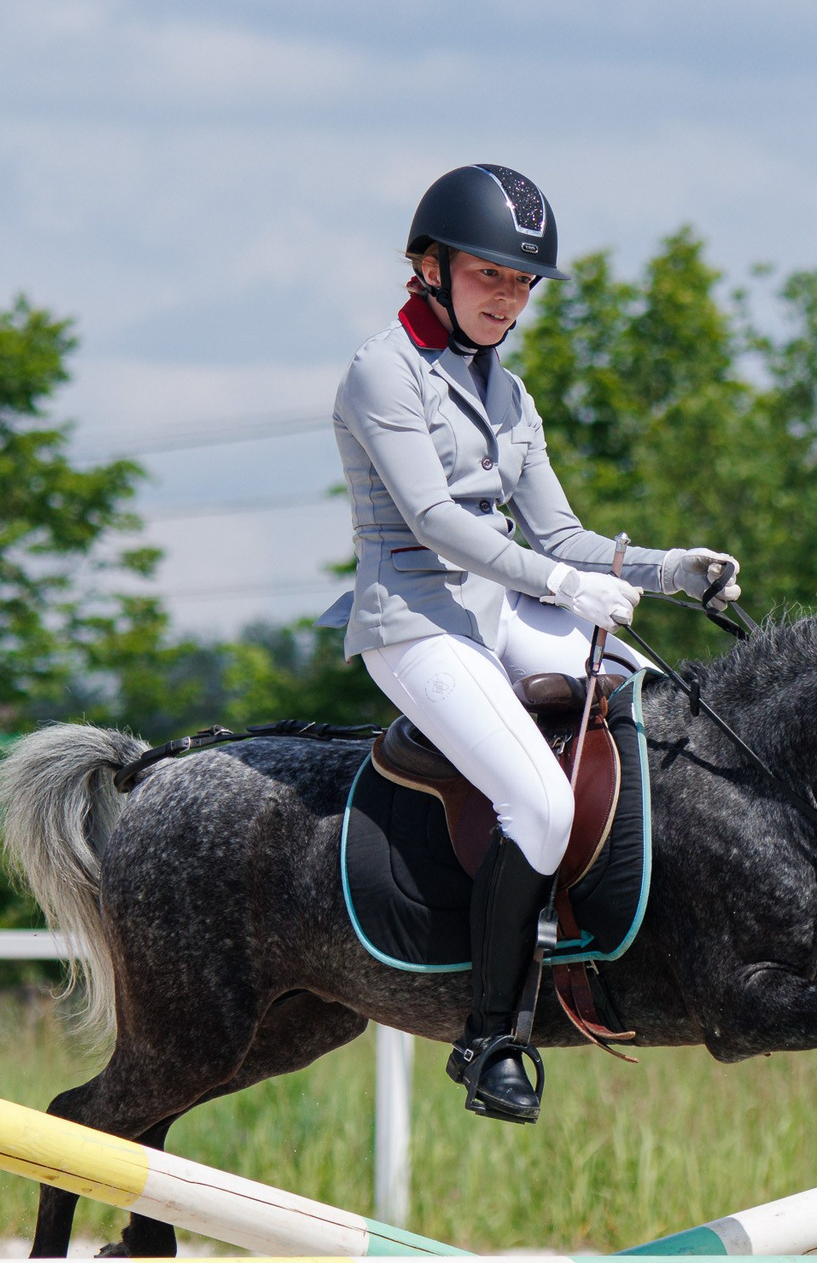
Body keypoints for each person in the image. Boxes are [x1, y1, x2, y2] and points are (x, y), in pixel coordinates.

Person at [328, 164, 742, 1126]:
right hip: (418, 617)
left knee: (658, 711)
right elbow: (434, 521)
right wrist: (560, 587)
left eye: (522, 283)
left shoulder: (509, 393)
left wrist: (670, 569)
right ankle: (490, 1039)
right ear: (430, 266)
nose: (508, 298)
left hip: (504, 603)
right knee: (540, 801)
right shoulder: (381, 371)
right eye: (490, 275)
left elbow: (562, 534)